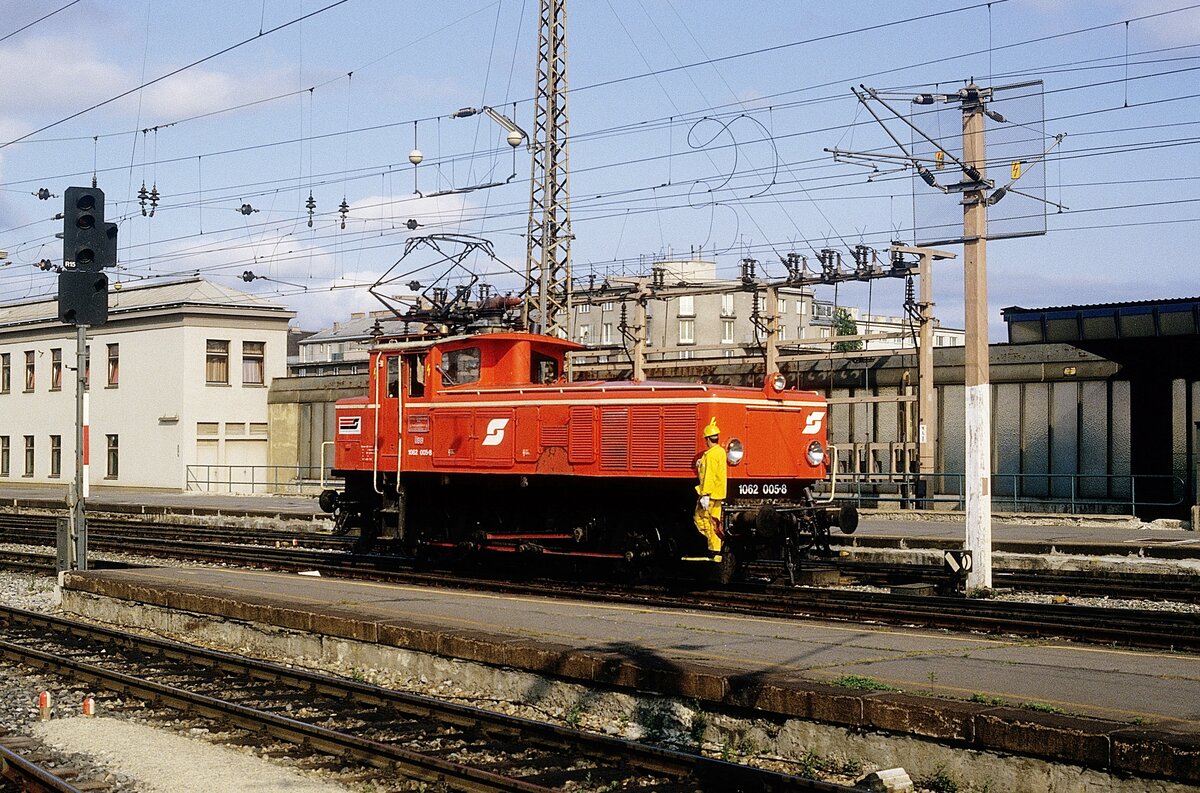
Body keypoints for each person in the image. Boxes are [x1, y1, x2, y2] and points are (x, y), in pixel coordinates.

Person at [693, 417, 727, 559]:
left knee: (701, 519)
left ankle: (713, 549)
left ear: (707, 439)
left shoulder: (711, 455)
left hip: (710, 494)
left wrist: (705, 494)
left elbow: (709, 475)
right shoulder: (720, 452)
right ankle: (717, 548)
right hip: (719, 493)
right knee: (715, 521)